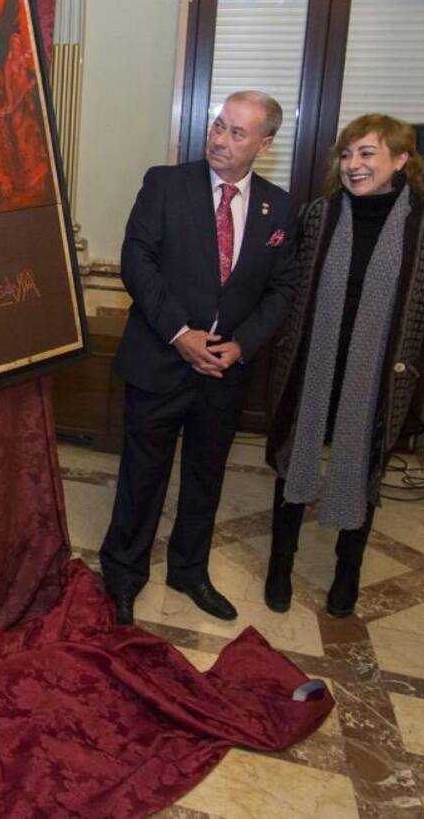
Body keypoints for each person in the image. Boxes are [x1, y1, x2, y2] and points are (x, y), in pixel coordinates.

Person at [100, 91, 297, 625]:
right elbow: (136, 259)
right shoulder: (165, 184)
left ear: (265, 144)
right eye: (218, 125)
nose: (220, 139)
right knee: (142, 477)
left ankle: (189, 571)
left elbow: (282, 289)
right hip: (160, 361)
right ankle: (123, 576)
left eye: (237, 132)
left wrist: (242, 345)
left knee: (206, 478)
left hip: (223, 374)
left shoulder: (279, 208)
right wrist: (179, 333)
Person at [263, 114, 424, 618]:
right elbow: (290, 280)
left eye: (367, 153)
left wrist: (393, 334)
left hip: (378, 375)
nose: (353, 164)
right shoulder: (319, 214)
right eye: (347, 154)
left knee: (364, 465)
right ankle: (280, 566)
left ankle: (346, 574)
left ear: (401, 160)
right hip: (311, 365)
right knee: (294, 458)